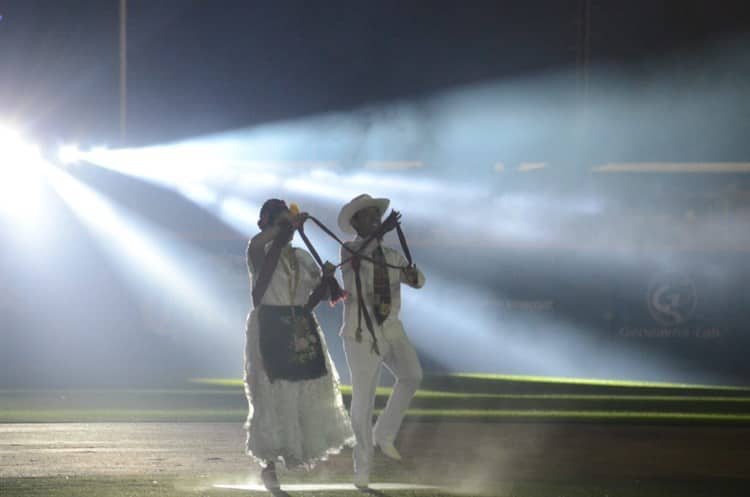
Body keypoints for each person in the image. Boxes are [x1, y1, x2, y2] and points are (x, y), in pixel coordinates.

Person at [244, 198, 353, 492]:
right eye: (279, 221)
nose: (289, 229)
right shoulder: (259, 249)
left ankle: (295, 449)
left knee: (300, 391)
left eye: (289, 222)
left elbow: (311, 302)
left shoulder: (303, 258)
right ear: (267, 223)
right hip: (268, 324)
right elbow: (258, 294)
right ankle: (268, 465)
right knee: (269, 392)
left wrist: (326, 281)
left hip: (299, 324)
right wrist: (282, 230)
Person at [337, 194, 426, 488]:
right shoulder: (349, 249)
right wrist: (379, 233)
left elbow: (417, 279)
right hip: (361, 332)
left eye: (377, 215)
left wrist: (415, 277)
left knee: (412, 375)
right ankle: (362, 469)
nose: (375, 219)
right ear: (356, 223)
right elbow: (358, 256)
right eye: (369, 216)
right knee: (363, 401)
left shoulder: (390, 255)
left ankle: (384, 434)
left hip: (390, 328)